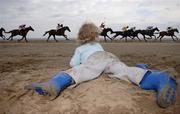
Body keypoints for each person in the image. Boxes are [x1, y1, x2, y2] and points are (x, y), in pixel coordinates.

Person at [24, 22, 177, 108]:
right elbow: (103, 59)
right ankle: (158, 78)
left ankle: (55, 83)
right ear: (96, 36)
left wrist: (77, 63)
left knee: (78, 70)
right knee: (126, 70)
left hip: (94, 60)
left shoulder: (80, 48)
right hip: (109, 57)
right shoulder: (99, 45)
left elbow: (74, 63)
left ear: (80, 37)